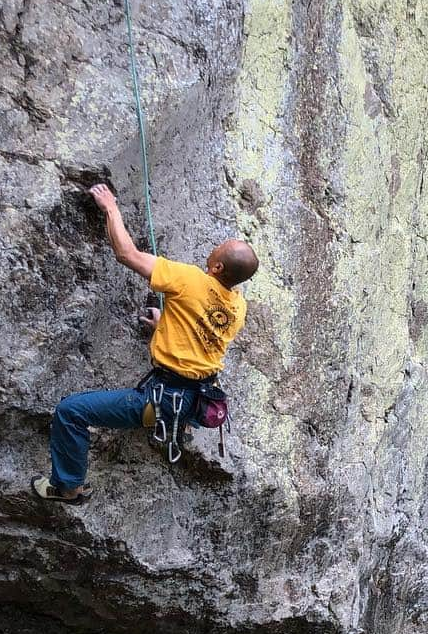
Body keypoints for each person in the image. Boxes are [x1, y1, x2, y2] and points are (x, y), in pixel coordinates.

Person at [31, 184, 258, 504]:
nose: (214, 247)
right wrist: (163, 325)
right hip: (199, 399)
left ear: (217, 267)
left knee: (71, 411)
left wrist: (110, 207)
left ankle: (68, 487)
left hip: (163, 398)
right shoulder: (237, 306)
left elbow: (127, 254)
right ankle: (178, 423)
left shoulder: (191, 279)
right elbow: (204, 335)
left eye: (219, 248)